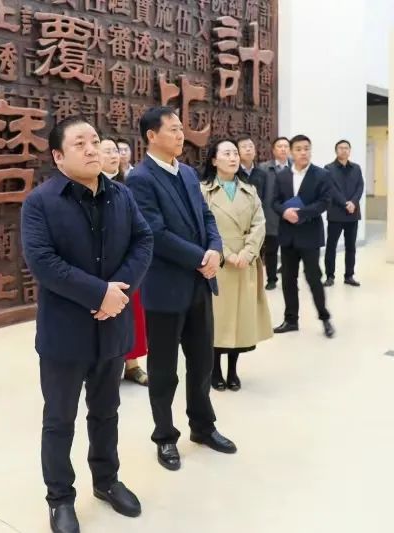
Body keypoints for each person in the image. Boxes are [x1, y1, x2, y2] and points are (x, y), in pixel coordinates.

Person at [21, 116, 153, 533]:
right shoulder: (40, 202)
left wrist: (119, 293)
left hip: (112, 328)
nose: (93, 148)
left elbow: (143, 240)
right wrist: (99, 294)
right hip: (65, 333)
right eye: (80, 143)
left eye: (95, 140)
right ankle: (60, 498)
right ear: (58, 156)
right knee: (60, 420)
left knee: (107, 412)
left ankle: (107, 480)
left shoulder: (121, 195)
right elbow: (43, 262)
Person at [126, 106, 237, 473]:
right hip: (165, 289)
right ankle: (165, 436)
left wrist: (215, 250)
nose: (180, 135)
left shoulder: (188, 173)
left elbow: (207, 217)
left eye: (180, 128)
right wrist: (199, 257)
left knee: (202, 362)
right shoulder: (140, 179)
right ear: (151, 136)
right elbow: (155, 233)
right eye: (172, 129)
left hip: (200, 284)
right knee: (164, 370)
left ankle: (203, 427)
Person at [200, 139, 273, 392]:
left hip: (245, 263)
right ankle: (215, 370)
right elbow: (203, 227)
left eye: (235, 153)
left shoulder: (249, 190)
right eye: (227, 153)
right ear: (214, 160)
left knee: (241, 320)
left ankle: (232, 370)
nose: (233, 158)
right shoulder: (203, 191)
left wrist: (247, 253)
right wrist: (228, 254)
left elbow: (259, 224)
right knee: (218, 320)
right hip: (217, 262)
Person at [271, 134, 335, 339]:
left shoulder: (321, 175)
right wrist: (284, 212)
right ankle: (291, 320)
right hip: (288, 235)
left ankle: (325, 318)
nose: (303, 152)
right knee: (288, 279)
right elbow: (274, 201)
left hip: (309, 235)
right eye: (298, 149)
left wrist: (300, 213)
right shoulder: (282, 176)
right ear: (291, 152)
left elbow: (325, 202)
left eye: (306, 148)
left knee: (314, 278)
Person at [99, 137, 149, 386]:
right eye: (108, 151)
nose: (114, 155)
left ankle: (132, 365)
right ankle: (105, 368)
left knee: (133, 316)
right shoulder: (88, 187)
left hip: (128, 265)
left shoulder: (127, 186)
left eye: (116, 151)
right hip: (100, 266)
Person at [324, 139, 364, 287]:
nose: (344, 150)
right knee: (331, 246)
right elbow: (331, 189)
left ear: (349, 150)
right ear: (336, 151)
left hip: (352, 214)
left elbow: (360, 187)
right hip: (336, 213)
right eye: (341, 148)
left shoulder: (356, 168)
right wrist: (345, 203)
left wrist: (353, 202)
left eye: (346, 148)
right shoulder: (328, 168)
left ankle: (349, 276)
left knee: (351, 247)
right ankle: (330, 276)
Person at [258, 137, 292, 290]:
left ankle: (289, 278)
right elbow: (260, 194)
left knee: (290, 251)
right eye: (280, 146)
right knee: (271, 250)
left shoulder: (296, 167)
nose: (283, 149)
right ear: (273, 150)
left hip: (291, 216)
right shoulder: (264, 168)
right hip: (271, 215)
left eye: (286, 146)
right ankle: (271, 279)